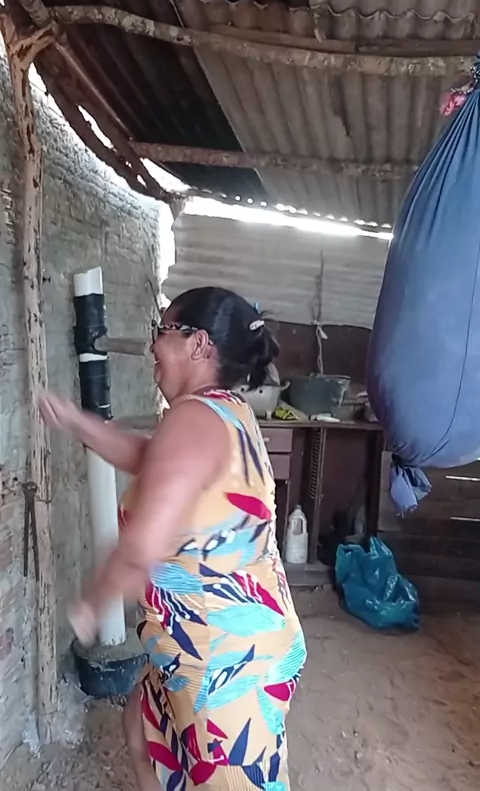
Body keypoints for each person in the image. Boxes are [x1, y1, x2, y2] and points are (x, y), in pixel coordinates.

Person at [40, 286, 306, 791]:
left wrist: (91, 604)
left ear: (198, 343)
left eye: (161, 331)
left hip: (225, 659)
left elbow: (142, 546)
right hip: (206, 640)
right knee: (142, 727)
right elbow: (149, 458)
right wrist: (77, 422)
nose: (152, 346)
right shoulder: (219, 412)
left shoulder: (195, 419)